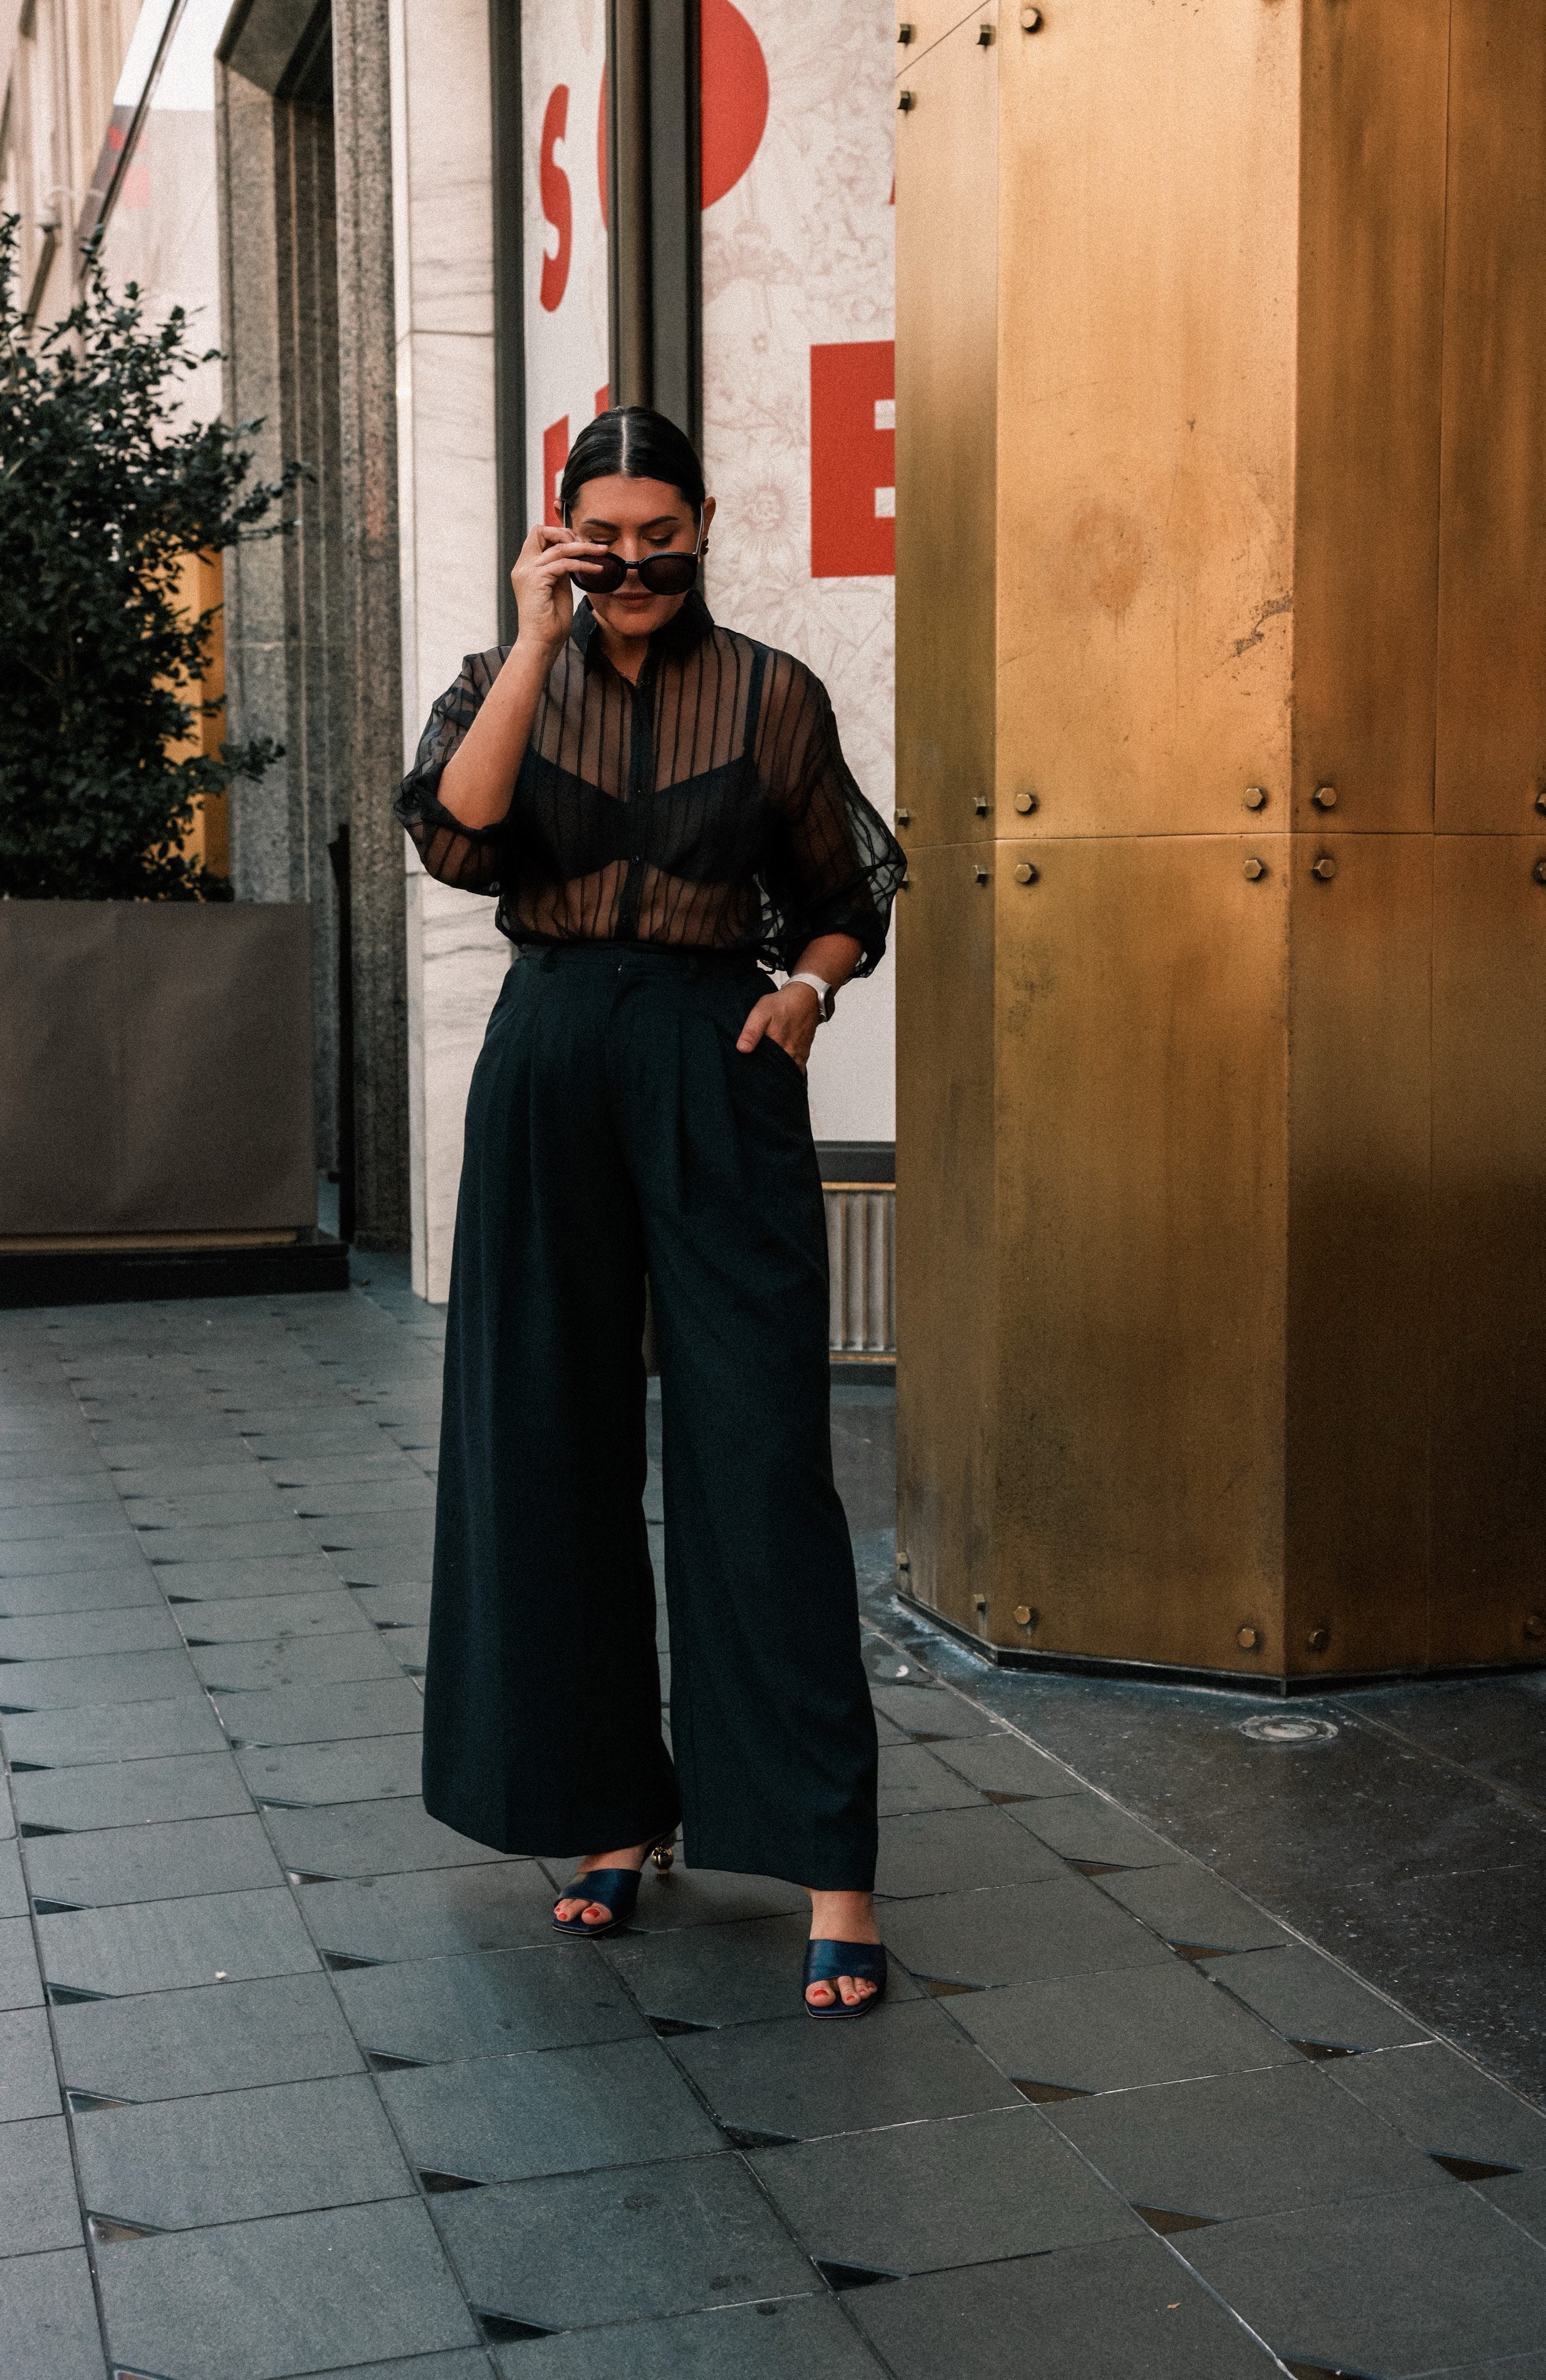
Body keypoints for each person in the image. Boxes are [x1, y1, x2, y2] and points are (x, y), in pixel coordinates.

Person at [394, 406, 904, 2017]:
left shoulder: (771, 693)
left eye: (655, 532)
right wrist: (534, 638)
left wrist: (808, 997)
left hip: (714, 1053)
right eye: (598, 534)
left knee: (759, 1453)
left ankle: (830, 1865)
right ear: (560, 531)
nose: (630, 561)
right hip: (547, 1053)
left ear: (702, 521)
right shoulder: (502, 680)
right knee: (540, 1443)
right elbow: (458, 839)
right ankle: (601, 1811)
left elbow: (843, 899)